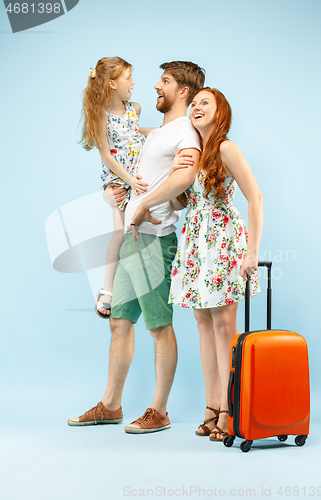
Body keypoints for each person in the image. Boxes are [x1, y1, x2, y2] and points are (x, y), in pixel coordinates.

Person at [68, 61, 205, 432]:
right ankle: (111, 405)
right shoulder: (159, 131)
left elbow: (186, 179)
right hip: (132, 236)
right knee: (119, 322)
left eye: (165, 82)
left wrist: (143, 205)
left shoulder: (186, 134)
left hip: (153, 240)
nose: (155, 87)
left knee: (159, 327)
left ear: (184, 92)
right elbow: (122, 154)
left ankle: (159, 411)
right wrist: (115, 194)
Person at [130, 88, 263, 441]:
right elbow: (178, 205)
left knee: (223, 326)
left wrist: (252, 251)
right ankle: (211, 406)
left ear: (221, 111)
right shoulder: (196, 153)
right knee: (203, 324)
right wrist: (174, 172)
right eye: (193, 104)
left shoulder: (225, 148)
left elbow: (256, 197)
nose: (196, 108)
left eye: (205, 102)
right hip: (195, 242)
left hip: (222, 238)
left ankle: (229, 411)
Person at [80, 56, 149, 319]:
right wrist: (128, 180)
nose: (133, 82)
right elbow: (106, 154)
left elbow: (134, 133)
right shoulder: (99, 114)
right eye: (127, 78)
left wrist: (162, 131)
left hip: (140, 178)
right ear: (111, 84)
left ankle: (135, 287)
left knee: (140, 231)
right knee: (119, 233)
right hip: (120, 181)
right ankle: (107, 288)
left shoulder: (135, 108)